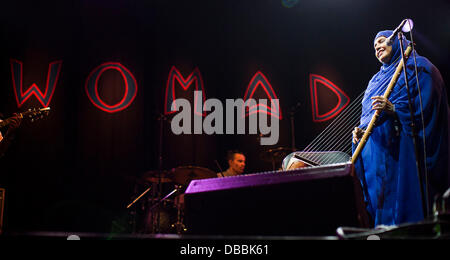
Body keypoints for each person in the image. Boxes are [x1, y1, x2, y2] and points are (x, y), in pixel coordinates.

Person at [352, 30, 450, 227]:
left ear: (397, 40)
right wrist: (361, 131)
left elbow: (428, 106)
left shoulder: (419, 67)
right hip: (382, 158)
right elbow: (369, 116)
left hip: (407, 156)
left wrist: (396, 109)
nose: (377, 47)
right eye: (374, 47)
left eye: (381, 41)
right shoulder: (375, 81)